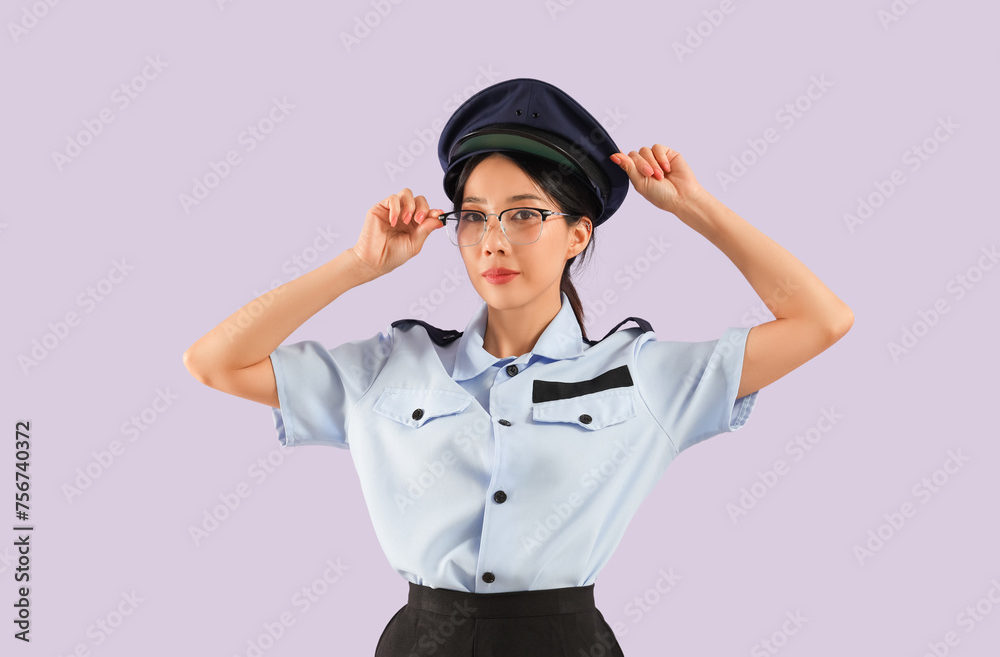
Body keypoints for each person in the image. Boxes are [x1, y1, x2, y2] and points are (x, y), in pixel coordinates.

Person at [182, 78, 853, 656]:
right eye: (474, 217)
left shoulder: (642, 376)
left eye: (525, 214)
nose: (493, 240)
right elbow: (214, 360)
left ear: (579, 232)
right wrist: (356, 267)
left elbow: (821, 320)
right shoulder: (390, 366)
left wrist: (696, 208)